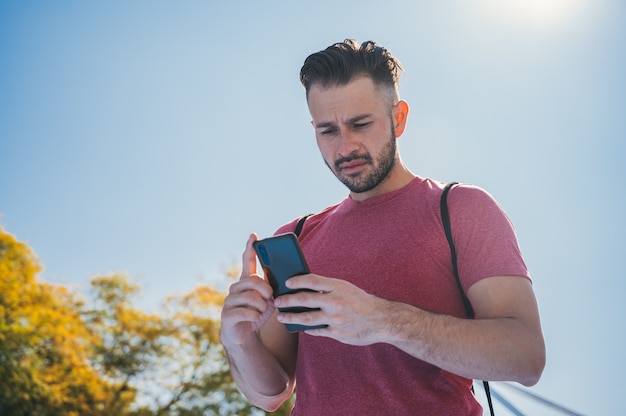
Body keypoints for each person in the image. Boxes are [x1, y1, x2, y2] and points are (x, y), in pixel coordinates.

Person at [220, 39, 545, 415]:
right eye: (328, 131)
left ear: (398, 117)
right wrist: (239, 340)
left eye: (360, 124)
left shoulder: (460, 209)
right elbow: (271, 393)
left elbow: (525, 357)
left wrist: (383, 320)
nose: (345, 148)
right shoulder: (298, 233)